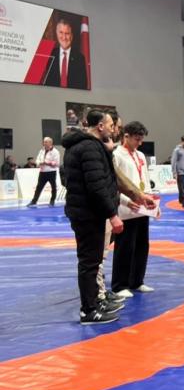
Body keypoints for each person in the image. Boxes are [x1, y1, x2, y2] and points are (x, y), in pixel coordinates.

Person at [61, 110, 125, 324]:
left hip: (83, 211)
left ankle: (95, 302)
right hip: (89, 214)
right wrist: (112, 214)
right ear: (100, 126)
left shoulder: (78, 146)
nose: (113, 129)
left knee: (92, 262)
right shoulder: (89, 148)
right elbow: (97, 186)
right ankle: (88, 310)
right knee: (90, 263)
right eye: (110, 125)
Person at [110, 121, 155, 298]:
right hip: (126, 209)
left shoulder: (140, 155)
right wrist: (125, 201)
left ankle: (137, 281)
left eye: (141, 139)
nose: (140, 143)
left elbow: (145, 180)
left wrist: (153, 203)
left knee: (142, 246)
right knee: (124, 247)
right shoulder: (116, 155)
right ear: (126, 136)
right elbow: (114, 184)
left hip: (143, 207)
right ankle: (120, 285)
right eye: (137, 139)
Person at [42, 18, 88, 90]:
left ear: (72, 35)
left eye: (67, 33)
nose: (64, 37)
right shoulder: (49, 55)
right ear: (57, 33)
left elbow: (82, 87)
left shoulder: (80, 58)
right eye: (61, 32)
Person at [27, 137, 60, 207]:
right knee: (39, 187)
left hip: (51, 171)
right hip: (42, 171)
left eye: (46, 142)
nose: (44, 143)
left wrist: (47, 163)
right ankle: (34, 201)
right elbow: (37, 160)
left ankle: (52, 201)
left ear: (50, 143)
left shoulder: (55, 152)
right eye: (44, 142)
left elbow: (56, 163)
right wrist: (40, 162)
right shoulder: (41, 151)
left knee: (53, 187)